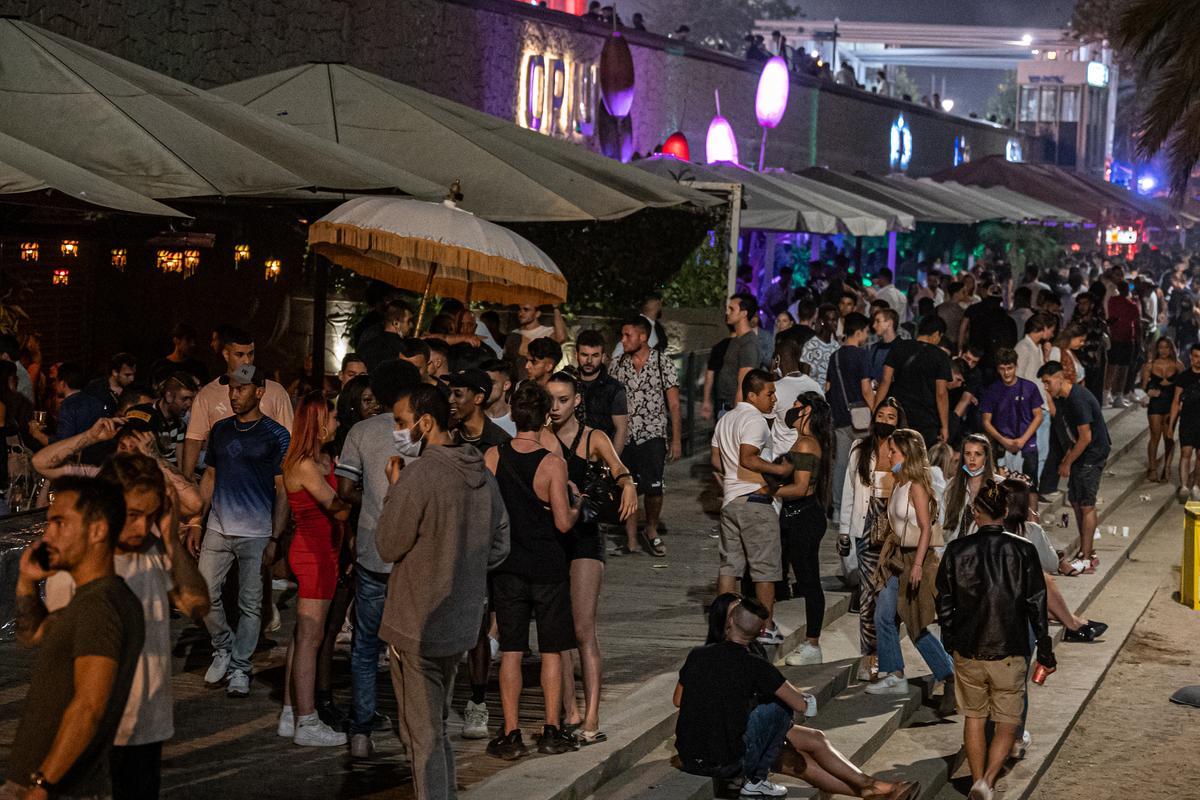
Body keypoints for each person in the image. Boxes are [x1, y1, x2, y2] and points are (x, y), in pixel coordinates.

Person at [41, 455, 208, 800]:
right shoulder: (76, 564)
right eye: (132, 516)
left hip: (147, 725)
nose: (140, 529)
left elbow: (196, 605)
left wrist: (172, 539)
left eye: (150, 516)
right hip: (94, 732)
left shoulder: (153, 549)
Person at [376, 383, 511, 800]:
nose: (398, 431)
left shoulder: (420, 475)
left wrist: (395, 488)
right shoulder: (481, 474)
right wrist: (465, 567)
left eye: (401, 422)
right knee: (436, 728)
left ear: (425, 422)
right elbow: (501, 544)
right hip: (462, 621)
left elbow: (387, 544)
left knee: (423, 735)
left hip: (417, 621)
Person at [673, 599, 919, 800]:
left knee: (815, 739)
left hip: (719, 741)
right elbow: (801, 704)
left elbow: (679, 700)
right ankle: (869, 789)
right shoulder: (751, 664)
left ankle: (870, 787)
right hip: (729, 746)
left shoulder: (698, 655)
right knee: (790, 738)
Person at [7, 476, 144, 799]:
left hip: (62, 788)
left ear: (97, 530)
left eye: (59, 523)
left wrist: (41, 787)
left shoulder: (100, 605)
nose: (47, 534)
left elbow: (89, 706)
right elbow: (31, 635)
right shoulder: (91, 599)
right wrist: (27, 582)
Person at [936, 479, 1055, 800]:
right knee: (1006, 722)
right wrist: (1045, 647)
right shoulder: (1024, 550)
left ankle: (977, 778)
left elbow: (944, 600)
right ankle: (987, 780)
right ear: (1005, 510)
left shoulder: (957, 551)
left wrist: (950, 639)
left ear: (975, 513)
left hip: (969, 648)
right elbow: (1036, 603)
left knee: (974, 718)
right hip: (1010, 649)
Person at [484, 382, 583, 760]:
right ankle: (551, 728)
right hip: (547, 566)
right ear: (544, 417)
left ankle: (510, 732)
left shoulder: (493, 456)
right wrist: (576, 506)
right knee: (552, 651)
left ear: (513, 412)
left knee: (511, 649)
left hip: (507, 565)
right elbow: (562, 522)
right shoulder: (552, 463)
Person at [335, 359, 424, 758]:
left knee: (365, 646)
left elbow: (344, 486)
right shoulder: (424, 431)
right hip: (414, 554)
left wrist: (371, 502)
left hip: (372, 549)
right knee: (413, 650)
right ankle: (411, 733)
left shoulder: (361, 430)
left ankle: (360, 733)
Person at [546, 372, 638, 746]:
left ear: (577, 401)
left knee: (583, 629)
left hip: (584, 537)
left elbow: (619, 469)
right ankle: (568, 711)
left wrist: (628, 483)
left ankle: (592, 716)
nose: (555, 407)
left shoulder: (593, 437)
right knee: (558, 632)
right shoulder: (541, 437)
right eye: (550, 399)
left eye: (563, 399)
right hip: (551, 539)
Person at [197, 365, 291, 698]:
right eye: (232, 389)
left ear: (260, 391)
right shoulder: (221, 430)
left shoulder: (277, 435)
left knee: (251, 604)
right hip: (218, 527)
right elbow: (209, 477)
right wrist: (197, 519)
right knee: (202, 592)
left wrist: (276, 538)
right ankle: (223, 646)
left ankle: (240, 667)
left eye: (241, 388)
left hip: (256, 531)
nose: (234, 395)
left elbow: (283, 490)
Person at [274, 392, 351, 747]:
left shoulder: (320, 459)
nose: (337, 423)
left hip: (324, 553)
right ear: (319, 421)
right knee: (310, 637)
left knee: (302, 637)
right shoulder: (303, 463)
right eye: (332, 418)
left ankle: (291, 713)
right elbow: (335, 507)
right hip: (313, 555)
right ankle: (307, 720)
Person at [866, 429, 955, 711]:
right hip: (897, 560)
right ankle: (894, 673)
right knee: (884, 615)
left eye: (893, 450)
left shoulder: (916, 485)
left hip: (917, 560)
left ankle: (949, 675)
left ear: (907, 453)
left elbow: (927, 527)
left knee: (916, 623)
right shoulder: (899, 482)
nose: (889, 455)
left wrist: (916, 565)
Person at [711, 370, 793, 646]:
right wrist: (778, 470)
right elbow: (748, 458)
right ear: (752, 395)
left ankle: (725, 625)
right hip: (754, 501)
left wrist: (728, 483)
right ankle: (765, 628)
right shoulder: (754, 420)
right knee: (765, 569)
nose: (774, 398)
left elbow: (715, 461)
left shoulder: (725, 420)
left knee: (729, 568)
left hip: (730, 501)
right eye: (769, 393)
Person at [840, 399, 906, 681]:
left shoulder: (905, 451)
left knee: (888, 598)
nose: (885, 420)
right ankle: (870, 657)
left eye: (891, 416)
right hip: (865, 528)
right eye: (881, 414)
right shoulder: (859, 449)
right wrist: (844, 529)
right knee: (867, 596)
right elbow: (848, 490)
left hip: (896, 532)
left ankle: (888, 654)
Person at [610, 316, 681, 557]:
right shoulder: (618, 364)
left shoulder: (663, 363)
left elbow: (674, 405)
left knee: (654, 487)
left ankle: (650, 528)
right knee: (627, 485)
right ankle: (630, 538)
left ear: (642, 336)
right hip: (626, 434)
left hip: (653, 433)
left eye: (628, 335)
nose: (623, 339)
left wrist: (676, 439)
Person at [181, 327, 293, 479]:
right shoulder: (207, 395)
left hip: (265, 483)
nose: (247, 361)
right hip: (223, 485)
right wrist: (187, 479)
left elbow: (289, 441)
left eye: (251, 354)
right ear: (226, 354)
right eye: (239, 354)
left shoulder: (275, 391)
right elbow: (194, 439)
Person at [776, 394, 834, 667]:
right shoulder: (806, 442)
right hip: (801, 517)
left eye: (796, 406)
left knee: (809, 582)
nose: (792, 410)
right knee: (804, 580)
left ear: (806, 410)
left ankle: (813, 643)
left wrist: (768, 492)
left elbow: (799, 488)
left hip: (804, 519)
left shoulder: (807, 444)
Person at [1039, 361, 1111, 575]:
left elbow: (1086, 437)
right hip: (1080, 454)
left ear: (1060, 377)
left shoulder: (1078, 399)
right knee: (1076, 501)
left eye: (1047, 382)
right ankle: (1087, 550)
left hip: (1092, 454)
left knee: (1087, 503)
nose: (1046, 387)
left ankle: (1087, 556)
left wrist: (1067, 462)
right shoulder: (1063, 400)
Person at [874, 315, 953, 447]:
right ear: (936, 334)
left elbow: (885, 380)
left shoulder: (899, 347)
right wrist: (945, 427)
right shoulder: (940, 356)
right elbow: (941, 393)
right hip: (925, 420)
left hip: (898, 414)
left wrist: (876, 411)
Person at [828, 313, 874, 516]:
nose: (867, 335)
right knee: (863, 462)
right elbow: (866, 388)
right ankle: (860, 507)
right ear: (859, 332)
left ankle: (838, 509)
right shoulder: (862, 355)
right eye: (865, 332)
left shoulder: (835, 356)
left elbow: (828, 387)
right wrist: (875, 410)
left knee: (841, 464)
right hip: (861, 418)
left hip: (840, 416)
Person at [980, 348, 1044, 478]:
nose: (1006, 373)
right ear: (997, 369)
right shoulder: (992, 390)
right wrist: (1003, 441)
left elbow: (1038, 416)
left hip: (1027, 442)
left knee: (1029, 485)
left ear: (1016, 366)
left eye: (1009, 368)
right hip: (1001, 443)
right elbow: (986, 421)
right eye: (1002, 369)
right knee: (1000, 483)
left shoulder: (1030, 387)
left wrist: (1022, 440)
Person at [769, 338, 823, 459]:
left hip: (781, 459)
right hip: (808, 453)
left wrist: (770, 376)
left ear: (777, 359)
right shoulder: (814, 386)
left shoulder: (775, 389)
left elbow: (766, 426)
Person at [575, 330, 629, 450]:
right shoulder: (568, 383)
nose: (589, 361)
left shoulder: (614, 389)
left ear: (603, 357)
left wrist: (611, 464)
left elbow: (621, 430)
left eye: (595, 355)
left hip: (600, 455)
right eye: (584, 355)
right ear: (576, 355)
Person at [715, 293, 763, 414]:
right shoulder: (738, 340)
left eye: (732, 309)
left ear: (744, 313)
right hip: (726, 406)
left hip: (733, 408)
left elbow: (743, 384)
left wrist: (737, 417)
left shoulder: (748, 344)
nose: (728, 312)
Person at [1144, 338, 1183, 483]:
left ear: (1171, 349)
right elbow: (1144, 385)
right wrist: (1149, 391)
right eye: (1161, 347)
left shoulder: (1178, 365)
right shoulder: (1150, 366)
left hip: (1172, 404)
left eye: (1167, 347)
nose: (1164, 350)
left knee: (1169, 436)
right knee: (1155, 436)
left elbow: (1183, 386)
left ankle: (1166, 467)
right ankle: (1153, 468)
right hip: (1156, 403)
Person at [448, 368, 512, 452]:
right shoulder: (450, 435)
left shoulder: (500, 443)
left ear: (478, 398)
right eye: (449, 393)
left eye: (458, 394)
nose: (450, 400)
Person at [1168, 343, 1200, 500]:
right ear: (1190, 357)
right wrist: (1171, 426)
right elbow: (1175, 401)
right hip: (1188, 419)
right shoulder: (1183, 377)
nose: (1198, 360)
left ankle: (1196, 485)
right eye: (1196, 357)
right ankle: (1184, 486)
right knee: (1185, 452)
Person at [1105, 280, 1141, 407]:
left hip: (1114, 337)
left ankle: (1106, 393)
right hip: (1126, 339)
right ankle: (1118, 396)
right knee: (1123, 368)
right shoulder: (1132, 305)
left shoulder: (1112, 301)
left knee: (1111, 366)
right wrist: (1139, 342)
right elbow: (1137, 325)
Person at [152, 372, 197, 466]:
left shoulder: (179, 424)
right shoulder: (150, 419)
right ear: (169, 397)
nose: (189, 404)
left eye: (191, 399)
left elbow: (180, 460)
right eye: (185, 398)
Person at [357, 300, 413, 373]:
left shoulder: (368, 343)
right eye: (408, 321)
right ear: (396, 323)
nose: (411, 325)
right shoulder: (403, 349)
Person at [503, 303, 567, 362]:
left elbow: (561, 338)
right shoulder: (514, 333)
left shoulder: (547, 331)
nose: (521, 313)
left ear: (537, 314)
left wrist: (556, 309)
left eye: (526, 310)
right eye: (519, 309)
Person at [800, 304, 840, 389]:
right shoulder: (810, 346)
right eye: (831, 320)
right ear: (822, 321)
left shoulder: (837, 347)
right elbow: (804, 377)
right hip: (814, 396)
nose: (835, 323)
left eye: (836, 320)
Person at [87, 353, 137, 417]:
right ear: (115, 372)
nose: (132, 379)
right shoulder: (95, 388)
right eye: (127, 375)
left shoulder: (135, 390)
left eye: (134, 374)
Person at [482, 358, 517, 436]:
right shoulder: (473, 417)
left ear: (506, 385)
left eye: (491, 383)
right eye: (482, 382)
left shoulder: (518, 417)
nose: (485, 387)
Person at [866, 308, 901, 383]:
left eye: (878, 321)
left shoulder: (903, 348)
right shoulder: (874, 348)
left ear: (889, 323)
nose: (874, 325)